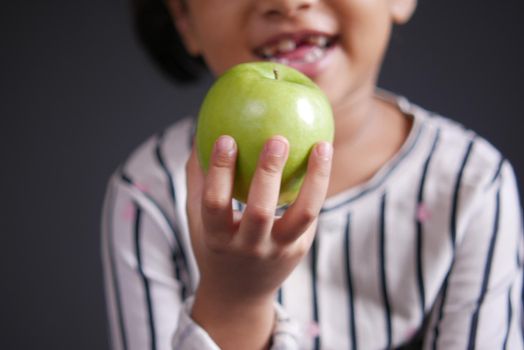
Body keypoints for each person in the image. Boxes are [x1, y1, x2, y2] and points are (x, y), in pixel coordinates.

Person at [101, 0, 523, 349]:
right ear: (183, 18)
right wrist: (235, 300)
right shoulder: (149, 193)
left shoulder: (472, 184)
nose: (286, 3)